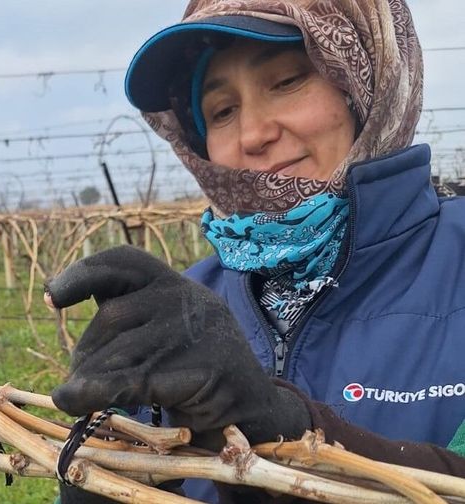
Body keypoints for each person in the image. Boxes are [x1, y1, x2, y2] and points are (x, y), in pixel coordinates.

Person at [47, 1, 465, 502]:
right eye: (222, 111)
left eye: (287, 81)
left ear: (368, 81)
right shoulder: (184, 313)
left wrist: (285, 429)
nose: (253, 135)